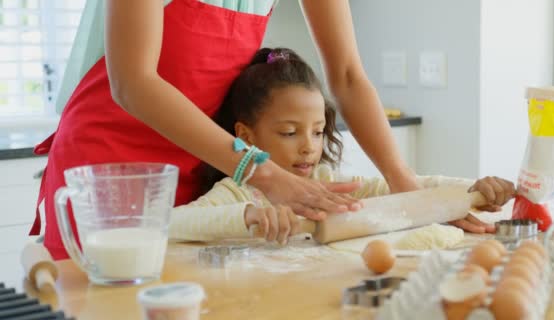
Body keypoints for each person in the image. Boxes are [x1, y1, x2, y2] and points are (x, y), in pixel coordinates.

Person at [31, 0, 428, 260]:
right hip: (114, 171)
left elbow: (346, 76)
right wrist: (265, 172)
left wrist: (400, 179)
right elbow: (133, 83)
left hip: (208, 168)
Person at [168, 47, 516, 245]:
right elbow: (173, 223)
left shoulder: (323, 178)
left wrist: (470, 189)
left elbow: (391, 188)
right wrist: (249, 216)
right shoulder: (239, 191)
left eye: (318, 132)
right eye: (290, 133)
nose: (308, 147)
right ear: (246, 137)